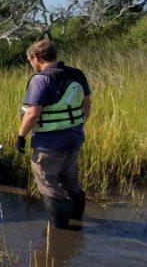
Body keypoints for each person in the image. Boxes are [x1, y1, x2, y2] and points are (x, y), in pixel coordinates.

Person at [15, 40, 92, 229]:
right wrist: (78, 124)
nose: (31, 64)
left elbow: (32, 113)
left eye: (29, 60)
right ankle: (76, 223)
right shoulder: (77, 74)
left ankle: (60, 230)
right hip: (74, 138)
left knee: (47, 182)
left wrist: (21, 136)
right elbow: (87, 103)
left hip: (48, 144)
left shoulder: (41, 79)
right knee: (70, 180)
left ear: (36, 57)